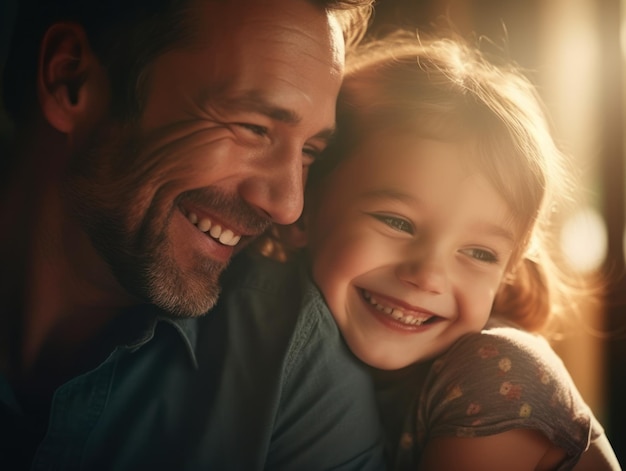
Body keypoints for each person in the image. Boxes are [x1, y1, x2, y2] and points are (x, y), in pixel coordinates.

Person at [0, 0, 387, 469]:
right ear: (71, 80)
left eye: (309, 151)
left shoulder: (292, 369)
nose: (288, 205)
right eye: (253, 127)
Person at [281, 33, 619, 470]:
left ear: (509, 272)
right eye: (397, 222)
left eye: (480, 253)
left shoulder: (494, 371)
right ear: (304, 207)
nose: (428, 276)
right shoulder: (284, 350)